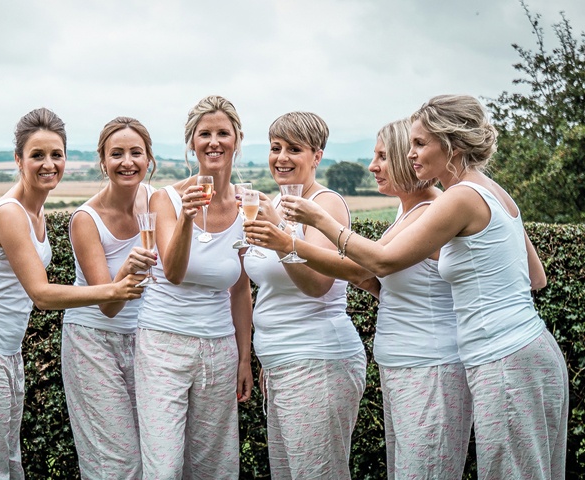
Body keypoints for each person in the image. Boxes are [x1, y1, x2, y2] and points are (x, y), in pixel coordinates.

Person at [283, 95, 567, 479]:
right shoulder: (491, 190)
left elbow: (384, 261)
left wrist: (320, 220)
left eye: (419, 143)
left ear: (450, 144)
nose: (411, 153)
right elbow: (537, 278)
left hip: (503, 357)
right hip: (529, 348)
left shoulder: (460, 198)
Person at [246, 118, 471, 479]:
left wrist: (287, 240)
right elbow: (374, 279)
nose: (372, 166)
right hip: (391, 363)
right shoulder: (406, 210)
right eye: (275, 147)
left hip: (421, 365)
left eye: (382, 156)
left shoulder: (430, 211)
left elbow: (357, 270)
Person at [0, 107, 145, 479]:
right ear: (18, 159)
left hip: (6, 351)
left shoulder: (35, 211)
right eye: (37, 155)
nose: (48, 164)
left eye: (56, 154)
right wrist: (112, 289)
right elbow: (41, 294)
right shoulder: (10, 214)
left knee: (6, 464)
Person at [238, 111, 365, 478]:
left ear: (317, 156)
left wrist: (281, 241)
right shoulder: (275, 205)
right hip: (282, 365)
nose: (281, 157)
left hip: (318, 361)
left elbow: (316, 284)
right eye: (275, 147)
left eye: (294, 149)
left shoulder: (325, 204)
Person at [134, 95, 253, 478]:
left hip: (219, 348)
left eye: (223, 132)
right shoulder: (166, 198)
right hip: (163, 345)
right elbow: (173, 271)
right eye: (205, 134)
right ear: (192, 142)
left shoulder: (247, 205)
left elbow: (240, 290)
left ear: (237, 138)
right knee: (164, 466)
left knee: (214, 467)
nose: (214, 141)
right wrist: (186, 218)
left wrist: (244, 358)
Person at [61, 116, 158, 479]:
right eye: (116, 154)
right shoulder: (86, 219)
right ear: (103, 161)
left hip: (147, 341)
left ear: (149, 159)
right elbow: (109, 303)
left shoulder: (156, 201)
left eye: (136, 152)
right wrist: (127, 269)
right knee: (115, 463)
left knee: (153, 457)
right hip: (93, 343)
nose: (127, 162)